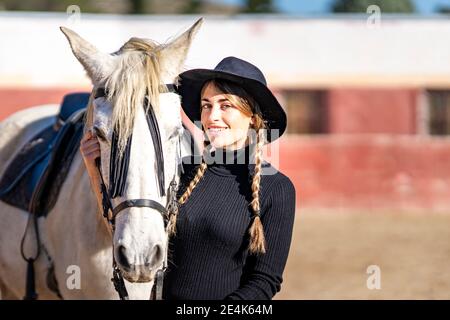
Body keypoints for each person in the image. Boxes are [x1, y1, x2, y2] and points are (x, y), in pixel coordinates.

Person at [80, 56, 296, 300]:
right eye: (206, 105)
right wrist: (92, 167)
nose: (212, 116)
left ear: (253, 118)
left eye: (226, 106)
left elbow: (265, 281)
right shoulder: (182, 172)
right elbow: (121, 226)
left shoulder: (277, 188)